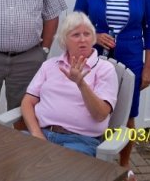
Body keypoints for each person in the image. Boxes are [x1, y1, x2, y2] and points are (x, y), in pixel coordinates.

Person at [74, 0, 150, 174]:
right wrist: (95, 36)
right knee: (93, 109)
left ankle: (123, 165)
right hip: (95, 58)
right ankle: (95, 159)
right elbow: (77, 21)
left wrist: (148, 68)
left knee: (127, 114)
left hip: (131, 58)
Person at [21, 11, 118, 157]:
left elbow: (100, 115)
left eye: (87, 34)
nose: (82, 39)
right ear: (64, 40)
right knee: (10, 161)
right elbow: (28, 102)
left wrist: (81, 84)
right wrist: (36, 134)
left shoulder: (104, 69)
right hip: (42, 134)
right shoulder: (49, 65)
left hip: (81, 141)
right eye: (76, 35)